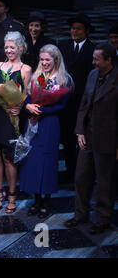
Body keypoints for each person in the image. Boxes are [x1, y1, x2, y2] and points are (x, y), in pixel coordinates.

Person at [65, 43, 118, 235]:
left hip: (108, 139)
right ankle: (81, 214)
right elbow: (84, 104)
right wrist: (79, 131)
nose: (93, 61)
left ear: (109, 60)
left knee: (105, 182)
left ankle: (103, 220)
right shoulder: (92, 74)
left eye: (97, 59)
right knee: (81, 178)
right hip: (87, 136)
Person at [21, 44, 73, 218]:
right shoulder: (37, 77)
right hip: (33, 123)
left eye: (47, 60)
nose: (44, 63)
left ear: (56, 60)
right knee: (33, 161)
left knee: (48, 161)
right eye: (42, 59)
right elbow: (28, 98)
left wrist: (43, 110)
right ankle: (36, 199)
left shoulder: (63, 79)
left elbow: (62, 105)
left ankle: (46, 201)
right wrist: (28, 105)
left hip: (50, 123)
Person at [0, 32, 32, 214]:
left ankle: (12, 195)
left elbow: (28, 95)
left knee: (9, 158)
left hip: (12, 119)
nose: (8, 50)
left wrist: (20, 107)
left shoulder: (25, 69)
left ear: (20, 48)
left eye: (12, 47)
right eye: (6, 47)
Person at [58, 13, 96, 183]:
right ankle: (69, 170)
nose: (75, 31)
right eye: (73, 28)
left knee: (81, 140)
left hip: (83, 101)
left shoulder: (93, 49)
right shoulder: (63, 45)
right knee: (66, 139)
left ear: (86, 31)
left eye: (79, 29)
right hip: (64, 101)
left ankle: (82, 174)